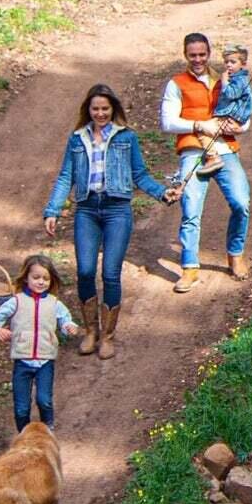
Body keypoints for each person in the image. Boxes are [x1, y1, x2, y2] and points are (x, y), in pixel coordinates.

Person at [43, 83, 180, 359]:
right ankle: (90, 330)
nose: (100, 113)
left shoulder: (126, 138)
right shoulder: (77, 138)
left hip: (117, 209)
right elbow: (65, 176)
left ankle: (107, 334)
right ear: (88, 110)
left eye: (105, 108)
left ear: (113, 109)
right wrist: (53, 210)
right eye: (96, 108)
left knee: (110, 273)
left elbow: (139, 174)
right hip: (87, 210)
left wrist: (162, 193)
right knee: (84, 270)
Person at [161, 31, 251, 293]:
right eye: (193, 55)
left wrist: (240, 126)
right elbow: (168, 122)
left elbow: (246, 112)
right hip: (192, 150)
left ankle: (235, 253)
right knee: (191, 208)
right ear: (185, 55)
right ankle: (189, 268)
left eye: (202, 54)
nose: (198, 59)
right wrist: (200, 124)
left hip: (226, 148)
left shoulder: (227, 77)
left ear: (209, 53)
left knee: (241, 202)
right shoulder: (176, 83)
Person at [0, 254, 79, 434]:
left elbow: (65, 320)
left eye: (46, 278)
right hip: (22, 361)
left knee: (44, 400)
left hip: (45, 361)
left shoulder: (54, 303)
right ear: (26, 278)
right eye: (36, 277)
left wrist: (69, 327)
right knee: (21, 408)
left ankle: (48, 431)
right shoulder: (16, 301)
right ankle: (23, 436)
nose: (41, 282)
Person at [189, 43, 252, 177]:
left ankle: (213, 158)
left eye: (233, 62)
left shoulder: (239, 79)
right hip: (229, 116)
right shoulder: (237, 78)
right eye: (226, 62)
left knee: (202, 130)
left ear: (243, 64)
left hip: (229, 116)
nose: (229, 65)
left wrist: (224, 82)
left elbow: (231, 94)